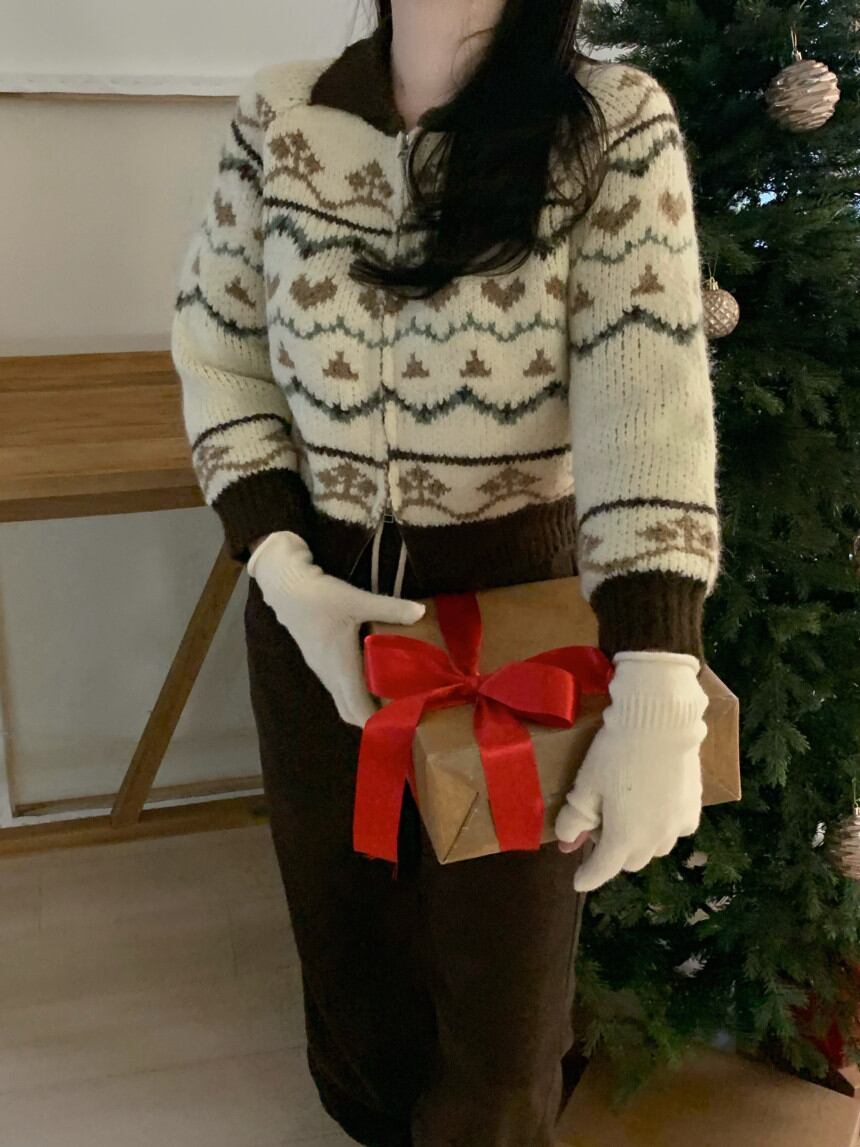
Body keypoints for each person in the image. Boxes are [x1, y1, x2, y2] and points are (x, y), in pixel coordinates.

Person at [169, 0, 721, 1143]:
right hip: (316, 605)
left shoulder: (610, 125)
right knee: (345, 929)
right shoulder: (280, 116)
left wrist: (658, 669)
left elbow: (646, 404)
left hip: (514, 613)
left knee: (503, 975)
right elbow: (221, 353)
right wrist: (279, 561)